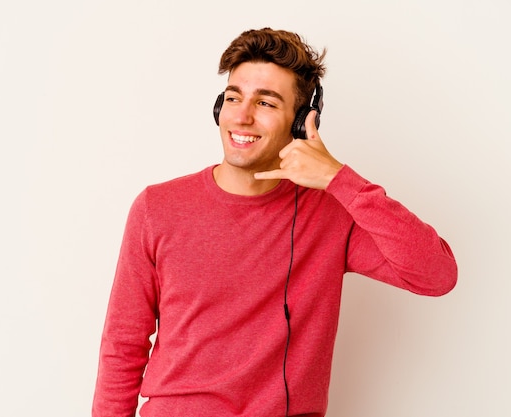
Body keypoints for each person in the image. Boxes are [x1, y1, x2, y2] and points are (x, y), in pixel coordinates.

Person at [92, 27, 457, 417]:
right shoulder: (157, 207)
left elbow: (435, 275)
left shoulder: (331, 211)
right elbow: (123, 343)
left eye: (266, 103)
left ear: (300, 122)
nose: (243, 116)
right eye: (233, 97)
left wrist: (339, 179)